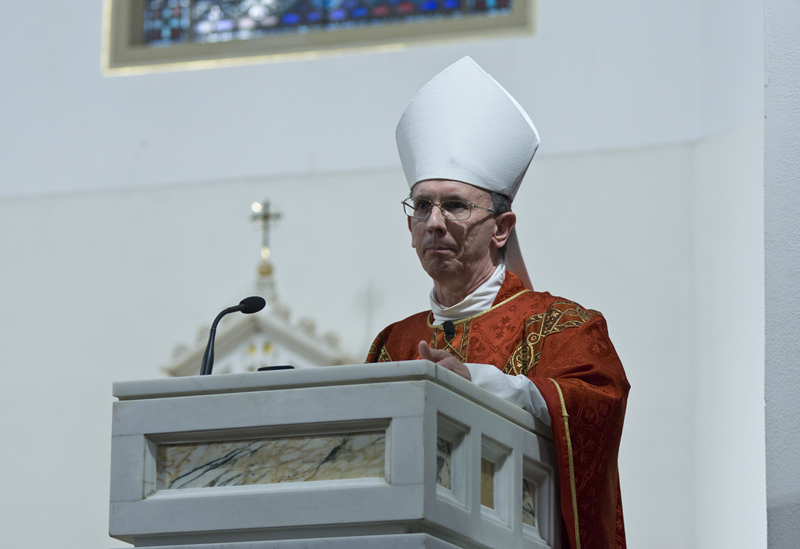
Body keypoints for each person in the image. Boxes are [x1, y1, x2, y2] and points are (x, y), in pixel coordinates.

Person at [365, 57, 630, 549]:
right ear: (409, 227)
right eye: (422, 206)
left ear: (502, 228)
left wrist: (476, 384)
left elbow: (599, 403)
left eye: (455, 205)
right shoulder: (394, 341)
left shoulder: (566, 327)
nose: (435, 222)